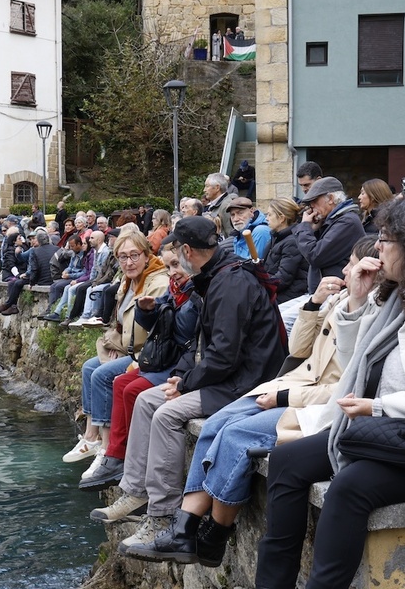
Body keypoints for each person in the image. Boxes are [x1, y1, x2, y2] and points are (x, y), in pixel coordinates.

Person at [255, 199, 405, 589]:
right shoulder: (396, 295)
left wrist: (381, 407)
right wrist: (357, 301)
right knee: (287, 459)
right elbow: (354, 367)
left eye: (386, 239)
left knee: (349, 488)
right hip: (381, 429)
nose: (377, 247)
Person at [124, 236, 379, 567]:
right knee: (215, 424)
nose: (345, 270)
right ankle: (183, 529)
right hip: (291, 383)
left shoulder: (376, 314)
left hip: (312, 402)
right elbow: (299, 350)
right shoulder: (342, 299)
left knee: (236, 435)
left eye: (352, 264)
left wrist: (282, 396)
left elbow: (346, 387)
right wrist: (315, 303)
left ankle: (214, 533)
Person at [89, 217, 287, 553]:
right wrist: (181, 378)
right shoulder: (216, 276)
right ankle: (136, 490)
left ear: (186, 250)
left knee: (166, 414)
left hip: (247, 383)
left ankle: (163, 515)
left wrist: (185, 383)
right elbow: (199, 344)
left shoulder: (229, 283)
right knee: (147, 399)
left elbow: (224, 355)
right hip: (232, 375)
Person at [78, 242, 199, 490]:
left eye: (176, 265)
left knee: (130, 388)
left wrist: (161, 311)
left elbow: (184, 333)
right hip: (163, 356)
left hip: (177, 362)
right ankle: (114, 452)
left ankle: (125, 460)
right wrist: (147, 310)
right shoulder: (175, 289)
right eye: (168, 266)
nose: (172, 272)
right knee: (120, 382)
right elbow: (149, 323)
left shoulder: (193, 293)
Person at [63, 230, 169, 465]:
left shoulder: (157, 282)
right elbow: (122, 323)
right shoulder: (128, 280)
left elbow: (157, 331)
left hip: (148, 354)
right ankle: (92, 437)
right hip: (129, 348)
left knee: (102, 375)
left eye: (134, 255)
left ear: (145, 254)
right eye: (123, 257)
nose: (128, 262)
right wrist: (118, 344)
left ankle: (106, 446)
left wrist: (130, 357)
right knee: (89, 367)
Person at [294, 176, 365, 293]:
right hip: (324, 292)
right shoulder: (335, 220)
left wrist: (305, 226)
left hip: (335, 293)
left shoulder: (347, 222)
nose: (311, 206)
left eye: (314, 201)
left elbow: (315, 256)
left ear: (331, 198)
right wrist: (315, 229)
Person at [0, 229, 58, 315]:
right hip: (41, 276)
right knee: (13, 283)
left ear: (39, 240)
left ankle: (8, 305)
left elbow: (34, 269)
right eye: (30, 239)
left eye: (33, 239)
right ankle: (12, 306)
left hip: (39, 277)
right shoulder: (34, 249)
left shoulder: (34, 250)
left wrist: (30, 280)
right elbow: (22, 258)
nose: (31, 241)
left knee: (17, 283)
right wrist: (18, 254)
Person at [263, 197, 309, 303]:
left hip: (289, 296)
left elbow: (284, 278)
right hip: (276, 292)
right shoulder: (276, 237)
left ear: (282, 218)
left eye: (270, 214)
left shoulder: (291, 241)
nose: (266, 218)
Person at [202, 173, 237, 237]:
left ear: (217, 188)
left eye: (207, 186)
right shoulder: (216, 204)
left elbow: (231, 235)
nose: (204, 190)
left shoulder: (226, 206)